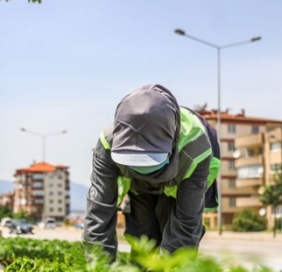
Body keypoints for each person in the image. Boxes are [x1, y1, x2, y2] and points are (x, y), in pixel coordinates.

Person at [83, 84, 220, 261]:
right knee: (144, 234)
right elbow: (98, 212)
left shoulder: (196, 150)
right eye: (134, 158)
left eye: (148, 158)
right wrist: (98, 271)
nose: (144, 168)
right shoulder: (108, 145)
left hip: (181, 178)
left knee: (169, 222)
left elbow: (186, 222)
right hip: (138, 185)